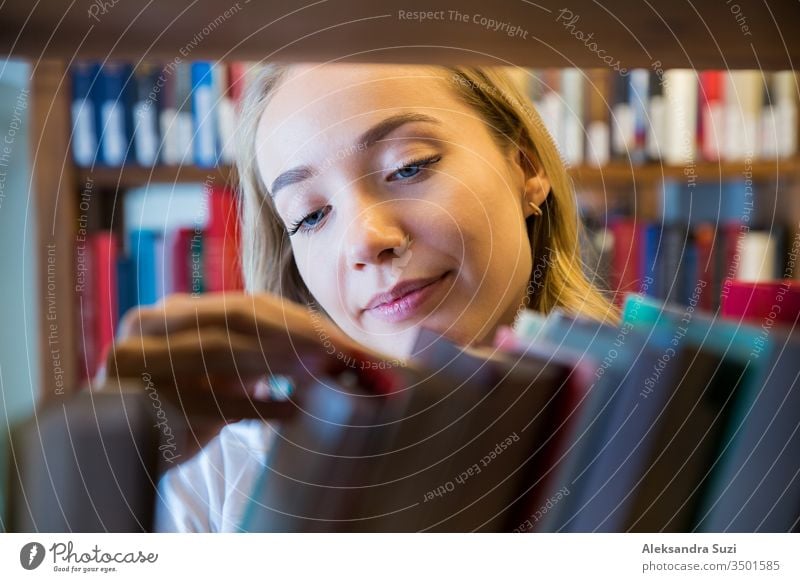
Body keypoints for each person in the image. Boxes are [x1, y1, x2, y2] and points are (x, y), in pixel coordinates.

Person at [107, 63, 619, 532]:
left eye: (409, 167)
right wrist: (110, 463)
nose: (367, 239)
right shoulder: (212, 482)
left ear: (526, 168)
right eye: (310, 215)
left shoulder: (661, 423)